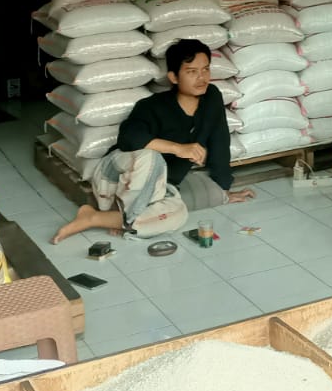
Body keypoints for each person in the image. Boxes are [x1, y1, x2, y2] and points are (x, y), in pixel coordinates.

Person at [52, 40, 253, 244]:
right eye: (192, 71)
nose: (201, 77)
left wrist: (224, 189)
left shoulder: (212, 97)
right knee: (152, 158)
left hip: (157, 188)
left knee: (178, 214)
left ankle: (99, 218)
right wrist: (178, 149)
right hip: (116, 175)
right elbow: (128, 138)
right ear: (173, 77)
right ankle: (121, 212)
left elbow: (220, 140)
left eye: (205, 69)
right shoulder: (152, 106)